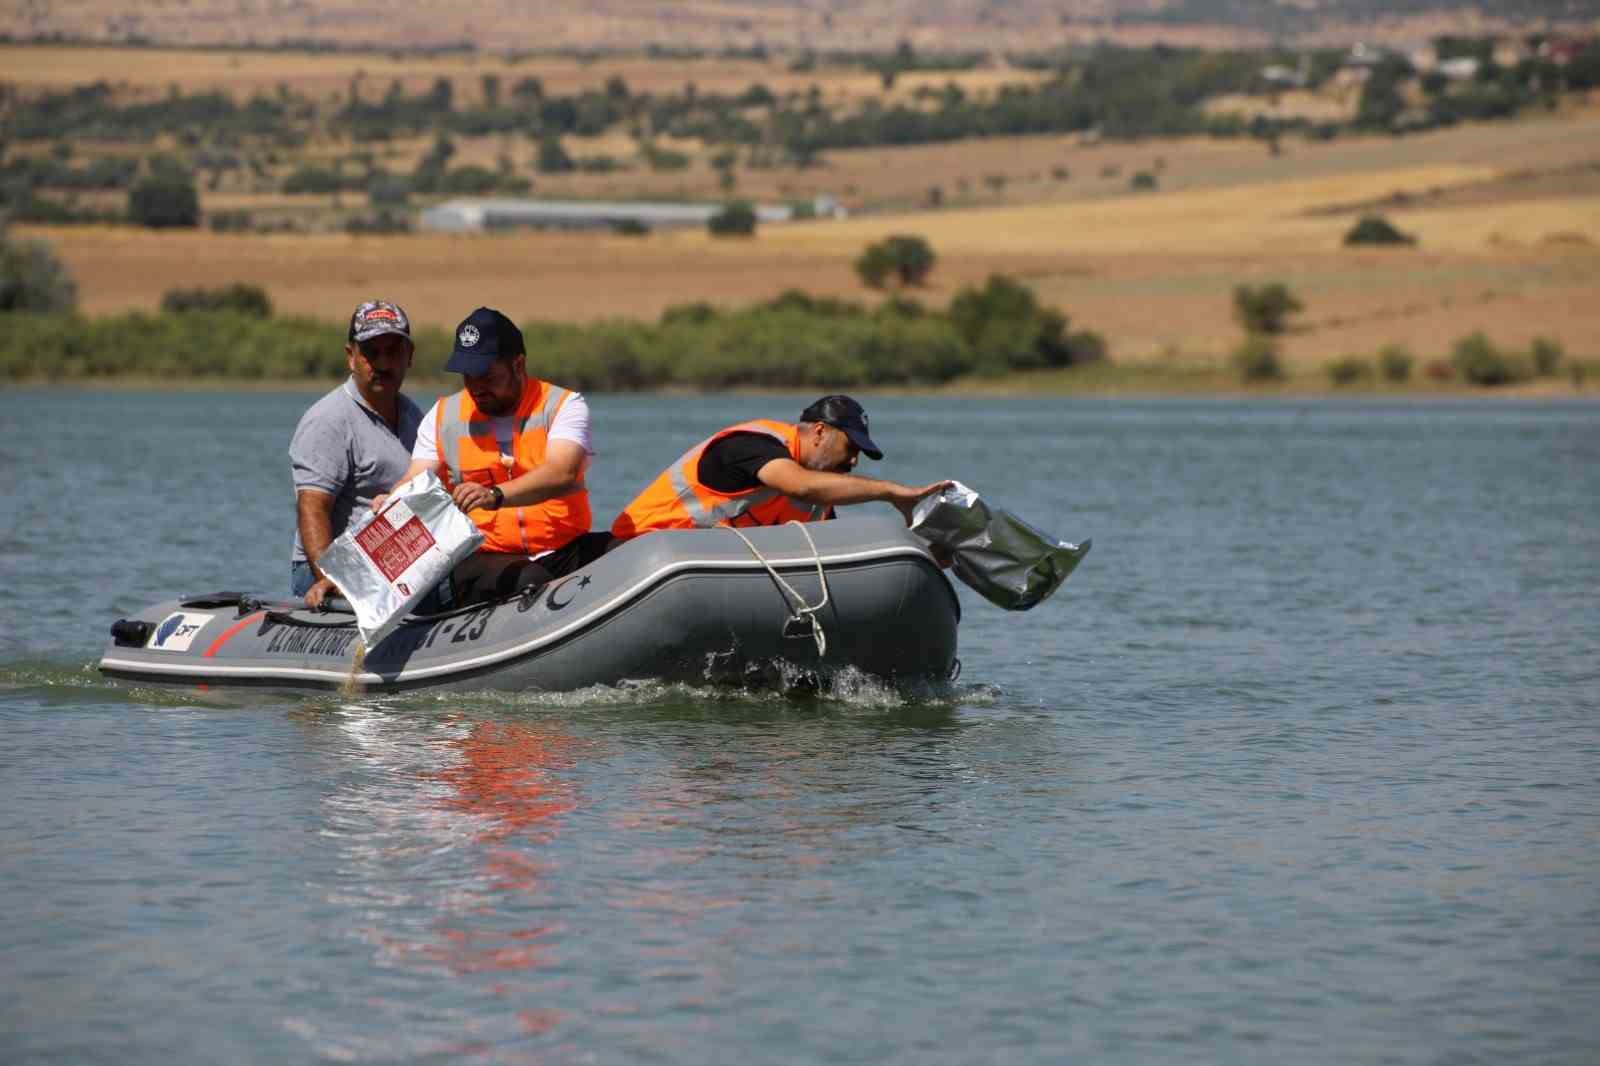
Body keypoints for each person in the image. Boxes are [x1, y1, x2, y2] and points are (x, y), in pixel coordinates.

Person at [382, 307, 610, 602]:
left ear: (518, 365)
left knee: (630, 549)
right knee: (532, 579)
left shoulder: (564, 405)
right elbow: (415, 478)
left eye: (486, 375)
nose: (476, 386)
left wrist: (495, 495)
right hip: (485, 558)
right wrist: (390, 502)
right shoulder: (442, 416)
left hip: (565, 548)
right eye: (467, 375)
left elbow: (561, 471)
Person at [610, 394, 951, 540]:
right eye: (850, 448)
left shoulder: (822, 497)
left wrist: (924, 544)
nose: (853, 461)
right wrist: (890, 492)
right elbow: (798, 485)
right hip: (639, 555)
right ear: (820, 431)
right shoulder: (751, 445)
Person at [289, 299, 423, 609]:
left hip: (394, 565)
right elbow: (313, 507)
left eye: (392, 352)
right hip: (329, 569)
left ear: (410, 356)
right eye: (371, 353)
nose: (383, 363)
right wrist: (331, 577)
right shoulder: (329, 420)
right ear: (351, 357)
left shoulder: (414, 415)